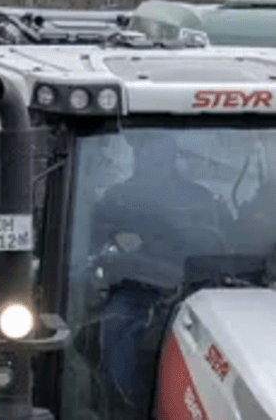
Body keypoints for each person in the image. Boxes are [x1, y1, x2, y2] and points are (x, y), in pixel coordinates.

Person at [91, 134, 230, 414]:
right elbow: (92, 245)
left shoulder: (202, 200)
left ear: (173, 156)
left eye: (164, 153)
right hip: (137, 290)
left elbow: (226, 243)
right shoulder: (116, 199)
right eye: (151, 152)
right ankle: (123, 406)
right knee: (114, 326)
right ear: (137, 155)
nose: (157, 159)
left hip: (200, 290)